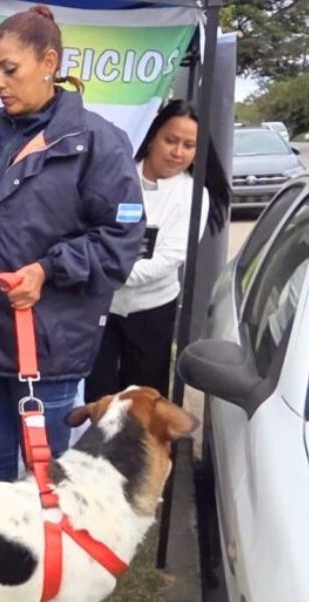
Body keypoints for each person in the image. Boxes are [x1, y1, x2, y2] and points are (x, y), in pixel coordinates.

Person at [0, 5, 145, 482]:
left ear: (49, 62)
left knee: (47, 474)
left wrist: (47, 271)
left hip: (48, 341)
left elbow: (119, 240)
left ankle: (49, 554)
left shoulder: (99, 142)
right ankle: (0, 555)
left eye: (10, 69)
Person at [87, 99, 207, 401]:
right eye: (171, 140)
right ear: (153, 136)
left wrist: (103, 273)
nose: (178, 152)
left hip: (152, 310)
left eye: (189, 145)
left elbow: (168, 260)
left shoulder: (194, 195)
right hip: (102, 307)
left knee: (144, 401)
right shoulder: (118, 178)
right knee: (97, 397)